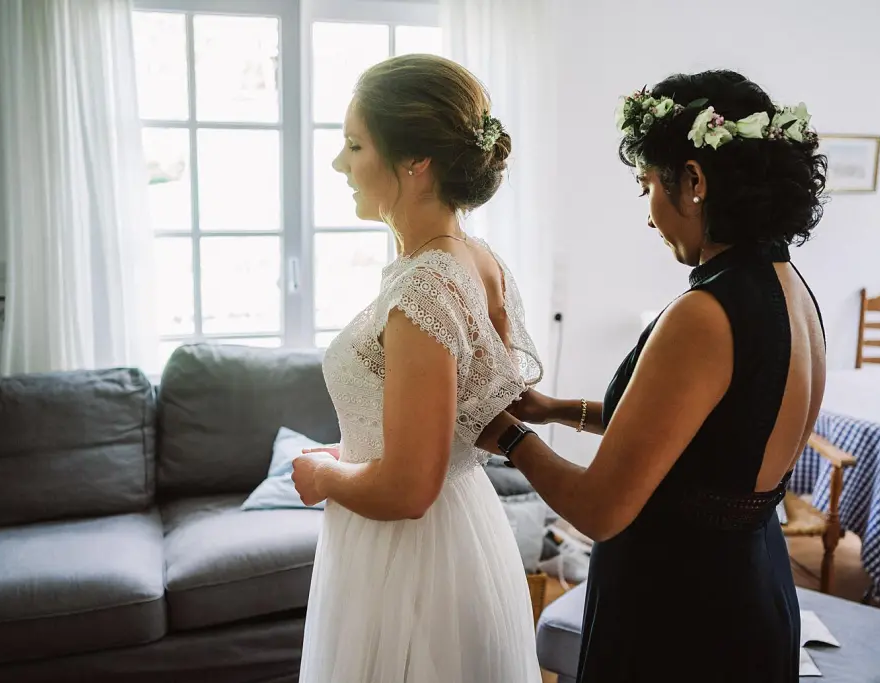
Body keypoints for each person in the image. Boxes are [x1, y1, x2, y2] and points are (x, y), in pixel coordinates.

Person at [477, 70, 828, 682]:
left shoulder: (705, 313)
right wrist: (556, 410)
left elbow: (601, 509)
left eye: (646, 187)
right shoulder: (791, 291)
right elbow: (706, 439)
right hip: (753, 582)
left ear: (693, 180)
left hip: (683, 609)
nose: (648, 215)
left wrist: (506, 436)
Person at [289, 54, 543, 683]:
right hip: (462, 532)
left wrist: (324, 475)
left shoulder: (426, 288)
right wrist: (353, 451)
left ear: (416, 161)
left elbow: (407, 488)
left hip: (409, 560)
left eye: (354, 145)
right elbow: (453, 422)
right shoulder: (477, 259)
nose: (339, 164)